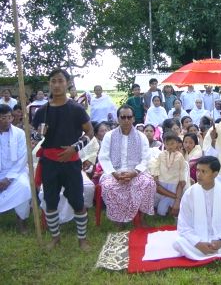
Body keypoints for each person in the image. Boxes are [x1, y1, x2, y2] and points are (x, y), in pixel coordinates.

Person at [32, 68, 94, 250]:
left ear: (67, 83)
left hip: (71, 162)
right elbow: (37, 137)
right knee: (50, 201)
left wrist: (75, 147)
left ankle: (82, 239)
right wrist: (34, 135)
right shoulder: (42, 111)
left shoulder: (76, 108)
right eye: (53, 81)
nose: (57, 85)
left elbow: (90, 132)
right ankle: (55, 237)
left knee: (77, 201)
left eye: (60, 81)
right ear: (49, 84)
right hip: (49, 163)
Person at [98, 105, 156, 229]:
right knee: (108, 186)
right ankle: (118, 219)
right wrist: (114, 173)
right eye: (123, 117)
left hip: (136, 171)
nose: (126, 120)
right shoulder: (109, 136)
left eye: (129, 117)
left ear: (133, 119)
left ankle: (141, 217)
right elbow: (103, 157)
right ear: (118, 119)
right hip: (114, 172)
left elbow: (146, 158)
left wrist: (135, 172)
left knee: (149, 182)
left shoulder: (141, 136)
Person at [0, 104, 31, 234]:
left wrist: (8, 179)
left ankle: (21, 221)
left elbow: (22, 159)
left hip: (16, 172)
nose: (7, 120)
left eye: (9, 117)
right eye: (2, 118)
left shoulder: (19, 134)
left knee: (24, 187)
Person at [150, 132, 186, 216]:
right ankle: (156, 209)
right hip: (162, 181)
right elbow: (156, 165)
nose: (170, 146)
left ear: (177, 143)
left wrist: (182, 179)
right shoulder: (161, 154)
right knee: (158, 197)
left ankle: (168, 211)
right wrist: (155, 175)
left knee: (167, 202)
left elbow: (182, 169)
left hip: (173, 182)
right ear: (164, 144)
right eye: (167, 144)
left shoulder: (180, 156)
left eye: (172, 143)